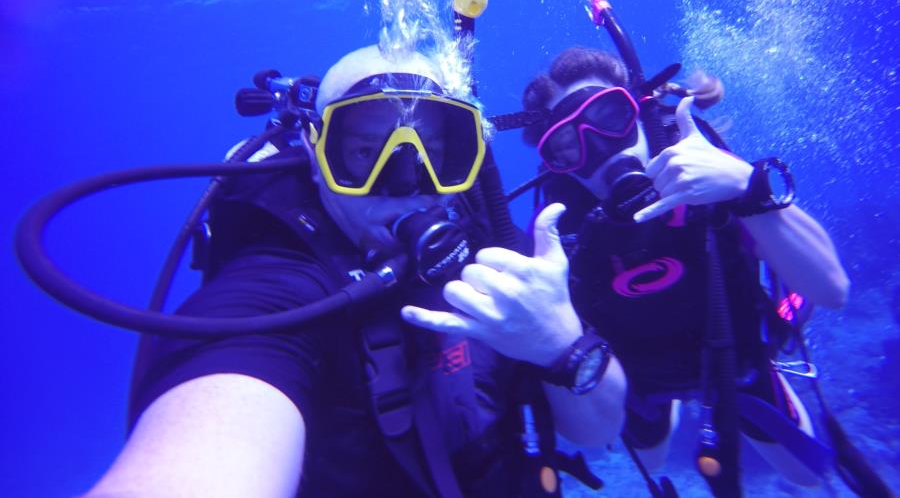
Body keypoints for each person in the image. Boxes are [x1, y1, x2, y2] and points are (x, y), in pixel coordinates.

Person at [84, 45, 627, 498]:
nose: (407, 181)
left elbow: (602, 430)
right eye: (368, 151)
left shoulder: (493, 252)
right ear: (317, 155)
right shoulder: (280, 287)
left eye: (434, 152)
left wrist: (561, 346)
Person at [506, 46, 849, 490]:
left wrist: (745, 187)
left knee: (807, 474)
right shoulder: (558, 227)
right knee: (651, 457)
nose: (601, 152)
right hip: (636, 379)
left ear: (642, 110)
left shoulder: (714, 172)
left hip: (733, 358)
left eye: (611, 118)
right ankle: (663, 412)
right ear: (557, 165)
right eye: (570, 147)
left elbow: (834, 290)